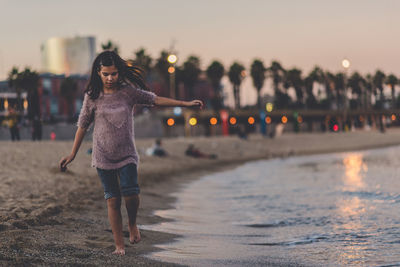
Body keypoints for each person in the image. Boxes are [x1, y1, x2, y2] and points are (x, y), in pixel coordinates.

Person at [59, 51, 203, 256]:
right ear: (98, 73)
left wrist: (184, 104)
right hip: (103, 156)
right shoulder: (92, 97)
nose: (110, 78)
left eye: (114, 74)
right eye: (106, 74)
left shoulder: (128, 93)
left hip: (126, 154)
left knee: (131, 194)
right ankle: (120, 246)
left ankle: (133, 223)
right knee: (112, 200)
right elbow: (82, 125)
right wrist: (72, 154)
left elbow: (155, 100)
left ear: (119, 73)